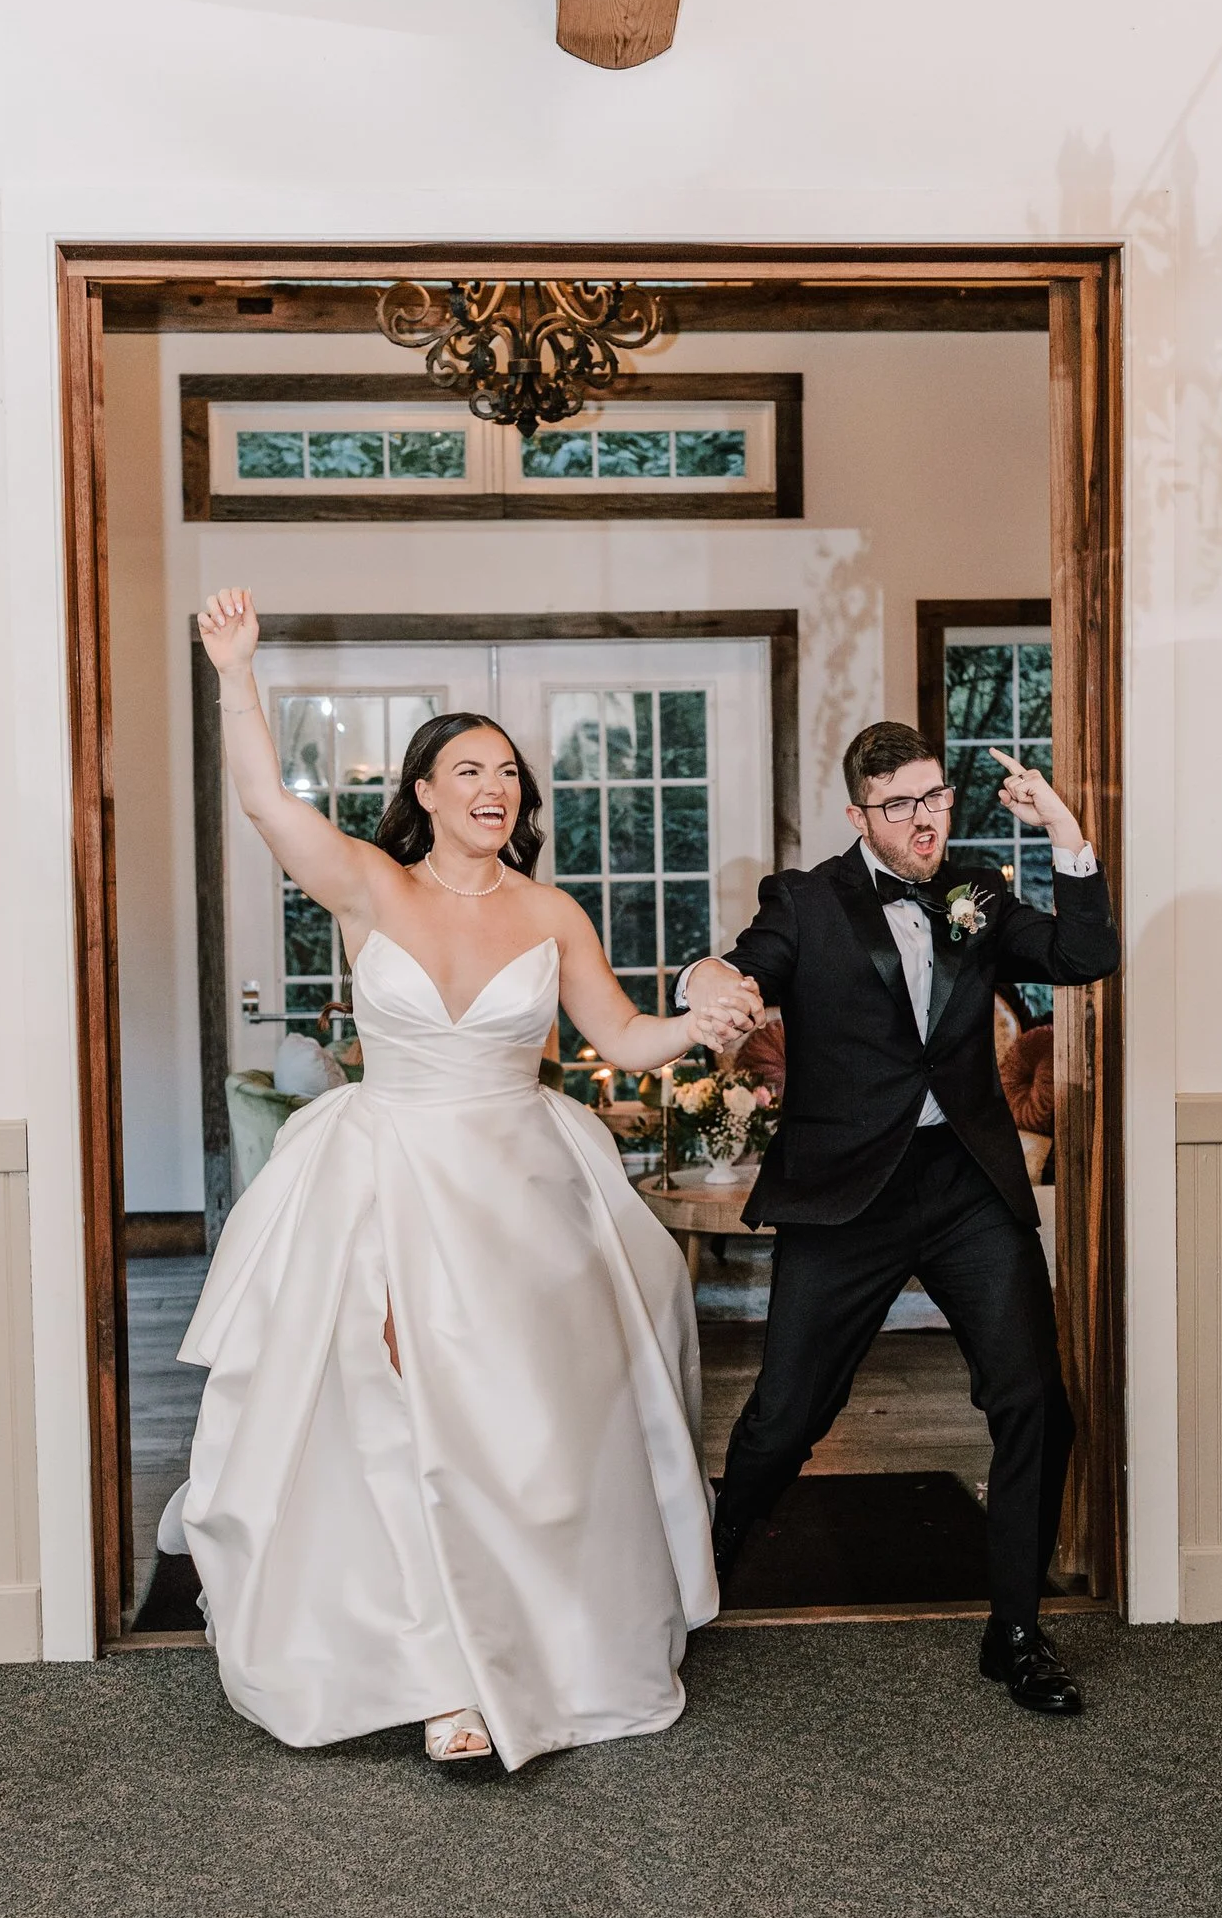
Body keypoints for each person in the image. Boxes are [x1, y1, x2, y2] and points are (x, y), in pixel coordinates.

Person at [173, 589, 751, 1771]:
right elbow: (263, 802)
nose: (497, 788)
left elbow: (623, 1038)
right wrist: (238, 674)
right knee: (400, 1416)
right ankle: (442, 1670)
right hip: (386, 1180)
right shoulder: (369, 887)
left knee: (525, 1430)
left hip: (524, 1192)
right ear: (425, 792)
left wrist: (694, 1023)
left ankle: (541, 1644)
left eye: (512, 775)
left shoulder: (551, 913)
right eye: (471, 769)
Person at [682, 721, 1120, 1715]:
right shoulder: (805, 901)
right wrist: (707, 986)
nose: (921, 821)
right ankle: (695, 1584)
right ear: (857, 814)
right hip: (847, 1194)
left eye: (932, 798)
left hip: (965, 1181)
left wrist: (1062, 827)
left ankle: (1014, 1631)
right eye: (897, 806)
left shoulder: (976, 892)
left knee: (1033, 1404)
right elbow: (745, 971)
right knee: (785, 1419)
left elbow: (1087, 952)